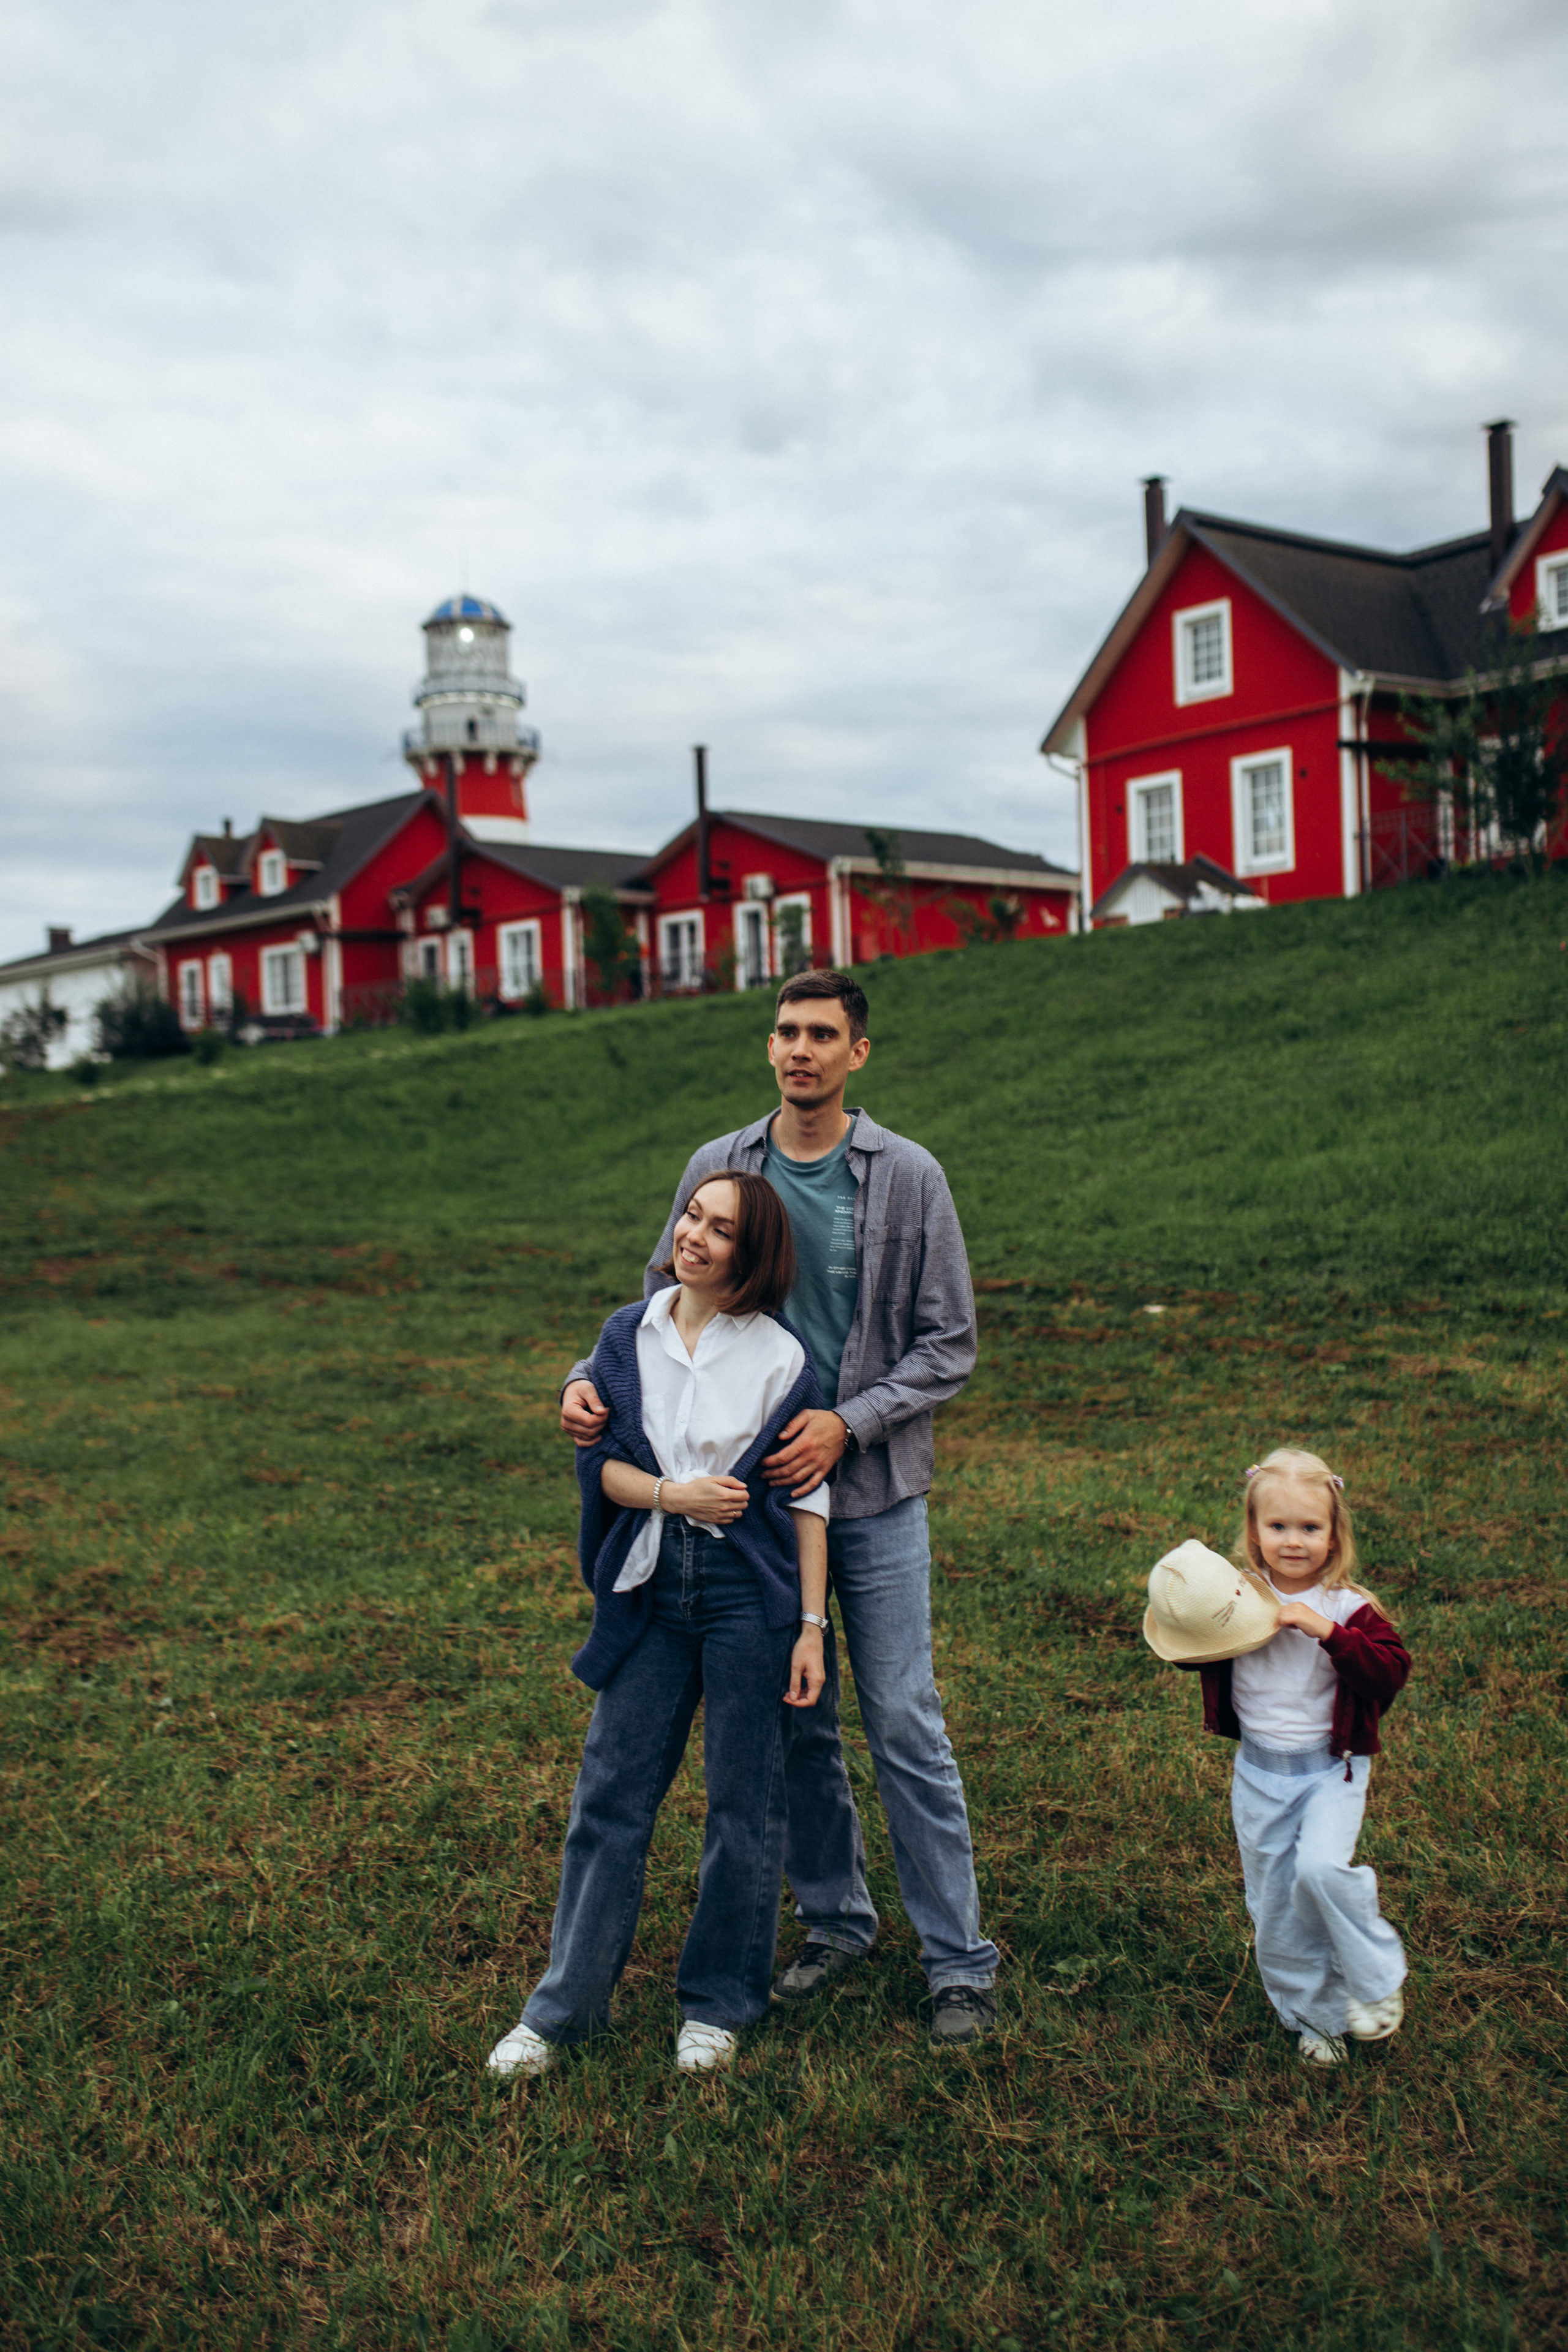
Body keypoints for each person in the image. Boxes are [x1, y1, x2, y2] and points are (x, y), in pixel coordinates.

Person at [561, 969, 999, 2046]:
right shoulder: (719, 1168)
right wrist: (584, 1376)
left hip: (873, 1490)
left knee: (901, 1717)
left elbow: (952, 1344)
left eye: (822, 1035)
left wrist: (849, 1423)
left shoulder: (909, 1177)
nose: (799, 1050)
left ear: (859, 1054)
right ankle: (837, 1922)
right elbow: (659, 1308)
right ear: (771, 1048)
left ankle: (959, 1966)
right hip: (746, 1512)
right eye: (785, 1031)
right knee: (797, 1722)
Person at [488, 1171, 831, 2079]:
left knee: (743, 1804)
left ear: (750, 1254)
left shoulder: (780, 1358)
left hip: (743, 1593)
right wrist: (672, 1493)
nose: (697, 1237)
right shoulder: (623, 1334)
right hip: (648, 1584)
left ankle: (718, 2003)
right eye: (692, 1216)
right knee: (611, 1793)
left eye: (721, 1230)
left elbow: (807, 1503)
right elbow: (599, 1464)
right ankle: (562, 2011)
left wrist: (809, 1627)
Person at [1181, 1447, 1411, 2068]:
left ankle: (1374, 1976)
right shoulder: (1239, 1596)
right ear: (1253, 1532)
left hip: (1329, 1771)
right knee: (1276, 1904)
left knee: (1318, 1871)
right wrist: (1187, 1606)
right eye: (1277, 1526)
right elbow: (1188, 1648)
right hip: (1259, 1775)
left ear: (1334, 1534)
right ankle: (1315, 2016)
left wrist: (1327, 1633)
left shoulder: (1346, 1606)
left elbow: (1390, 1672)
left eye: (1309, 1528)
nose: (1292, 1541)